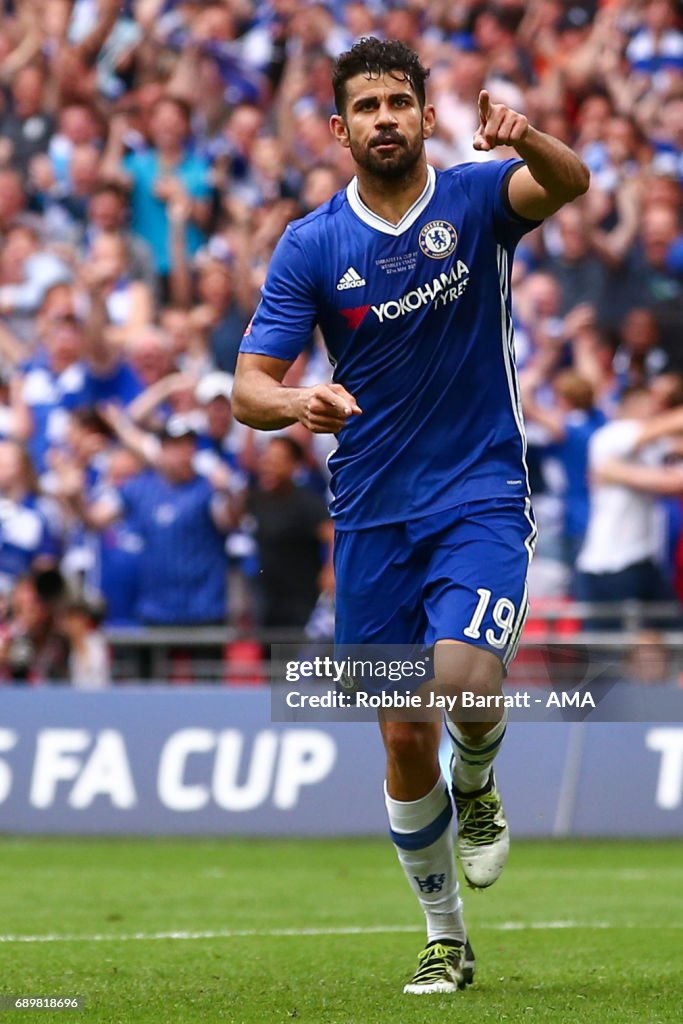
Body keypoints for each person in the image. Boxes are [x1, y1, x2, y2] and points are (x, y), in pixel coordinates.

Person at [233, 38, 589, 995]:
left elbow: (570, 182)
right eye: (369, 107)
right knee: (399, 735)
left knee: (467, 679)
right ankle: (444, 936)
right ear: (340, 128)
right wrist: (300, 400)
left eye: (401, 102)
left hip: (479, 492)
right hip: (371, 517)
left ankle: (476, 780)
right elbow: (245, 389)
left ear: (428, 117)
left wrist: (531, 139)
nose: (386, 118)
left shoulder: (477, 198)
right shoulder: (311, 244)